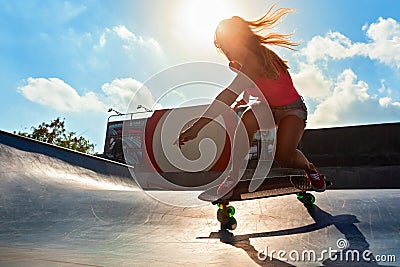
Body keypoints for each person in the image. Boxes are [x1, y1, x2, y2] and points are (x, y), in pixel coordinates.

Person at [178, 4, 326, 197]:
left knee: (284, 157)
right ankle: (233, 176)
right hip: (269, 108)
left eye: (227, 45)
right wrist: (245, 98)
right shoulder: (239, 64)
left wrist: (198, 127)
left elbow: (227, 96)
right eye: (222, 47)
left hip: (293, 110)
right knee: (246, 120)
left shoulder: (257, 59)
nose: (226, 52)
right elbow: (253, 86)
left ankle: (310, 169)